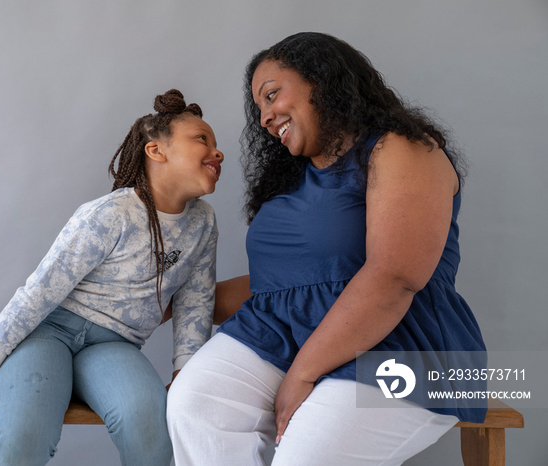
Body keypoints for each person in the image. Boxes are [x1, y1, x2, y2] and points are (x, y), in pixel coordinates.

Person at [166, 32, 486, 465]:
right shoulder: (291, 180)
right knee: (196, 404)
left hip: (401, 344)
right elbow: (279, 288)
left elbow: (395, 279)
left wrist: (303, 373)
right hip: (281, 337)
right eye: (258, 108)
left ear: (323, 79)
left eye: (272, 94)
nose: (265, 117)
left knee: (306, 456)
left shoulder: (402, 148)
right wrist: (169, 297)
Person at [0, 89, 224, 466]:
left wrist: (184, 374)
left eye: (217, 144)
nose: (218, 151)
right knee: (23, 436)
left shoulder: (203, 223)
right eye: (202, 139)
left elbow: (195, 305)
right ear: (156, 151)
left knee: (151, 428)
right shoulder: (110, 214)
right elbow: (38, 292)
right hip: (47, 333)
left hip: (115, 346)